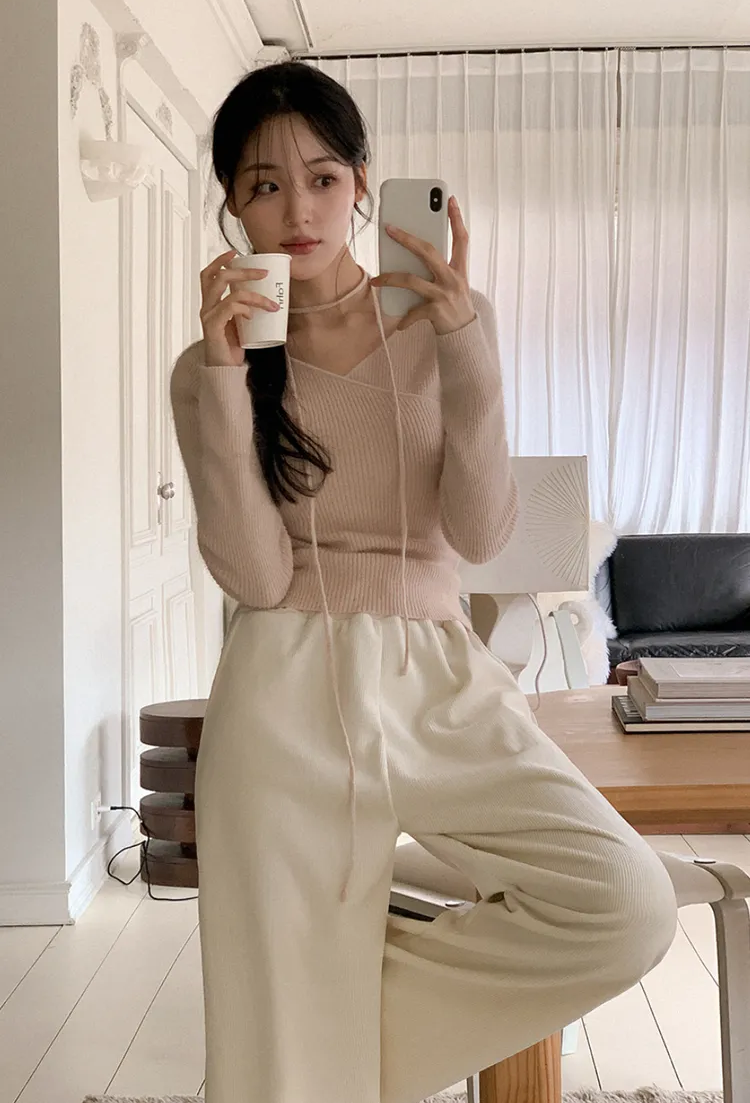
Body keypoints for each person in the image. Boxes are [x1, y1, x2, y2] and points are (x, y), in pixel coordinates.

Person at [170, 60, 677, 1103]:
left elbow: (481, 531)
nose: (298, 211)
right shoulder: (211, 366)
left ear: (364, 183)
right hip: (282, 688)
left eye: (322, 178)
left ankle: (311, 1058)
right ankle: (290, 1061)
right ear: (231, 205)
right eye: (264, 186)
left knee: (625, 902)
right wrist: (222, 378)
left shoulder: (444, 322)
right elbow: (257, 576)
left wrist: (465, 348)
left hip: (440, 677)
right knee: (275, 1033)